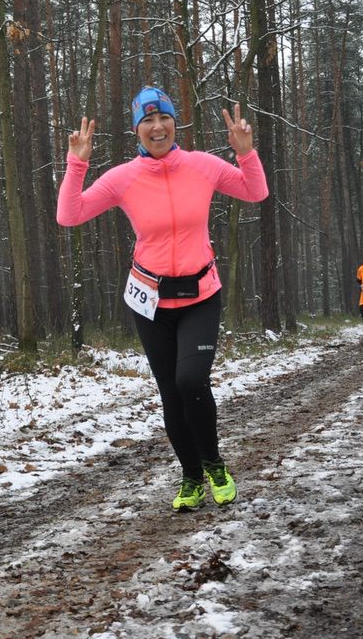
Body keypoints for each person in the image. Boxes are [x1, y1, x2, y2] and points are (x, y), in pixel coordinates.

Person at [57, 86, 268, 511]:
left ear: (175, 123)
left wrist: (246, 153)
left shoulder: (202, 166)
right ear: (137, 129)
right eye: (148, 120)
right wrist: (77, 164)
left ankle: (214, 465)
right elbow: (69, 214)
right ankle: (191, 477)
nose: (158, 127)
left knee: (191, 380)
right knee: (171, 392)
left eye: (164, 118)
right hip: (149, 301)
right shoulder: (123, 178)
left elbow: (255, 191)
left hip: (200, 294)